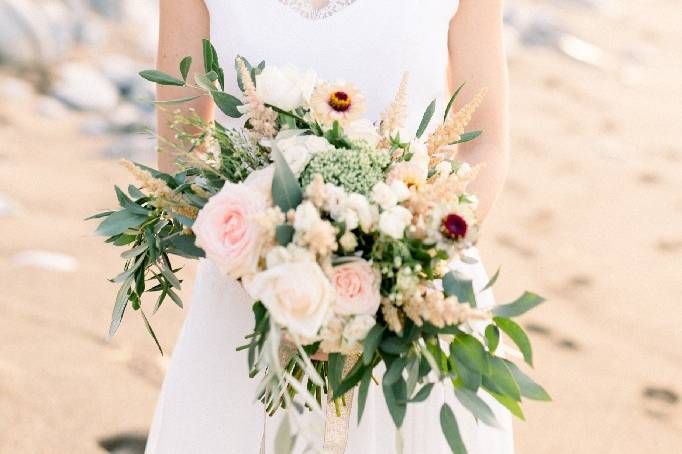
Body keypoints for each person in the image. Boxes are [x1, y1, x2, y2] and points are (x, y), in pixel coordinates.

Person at [146, 1, 513, 452]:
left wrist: (409, 262)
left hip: (410, 306)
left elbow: (485, 144)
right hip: (247, 309)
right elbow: (180, 155)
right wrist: (275, 277)